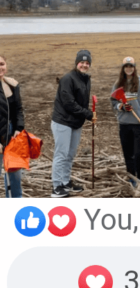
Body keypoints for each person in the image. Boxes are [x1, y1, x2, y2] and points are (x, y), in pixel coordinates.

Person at [51, 49, 93, 198]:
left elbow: (82, 101)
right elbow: (69, 103)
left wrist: (87, 113)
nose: (84, 65)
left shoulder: (85, 79)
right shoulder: (68, 79)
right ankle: (56, 187)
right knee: (61, 154)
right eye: (82, 62)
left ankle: (65, 181)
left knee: (70, 154)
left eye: (87, 63)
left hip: (76, 122)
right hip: (62, 122)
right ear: (77, 63)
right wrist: (88, 114)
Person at [110, 56, 140, 193]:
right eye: (126, 66)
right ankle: (132, 178)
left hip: (138, 124)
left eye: (131, 66)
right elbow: (113, 102)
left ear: (134, 67)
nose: (128, 68)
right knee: (128, 154)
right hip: (124, 124)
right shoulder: (118, 84)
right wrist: (121, 107)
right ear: (123, 68)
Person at [0, 53, 25, 197]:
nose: (0, 67)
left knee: (14, 173)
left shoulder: (13, 85)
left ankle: (15, 205)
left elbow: (19, 110)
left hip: (12, 134)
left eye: (2, 64)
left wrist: (18, 129)